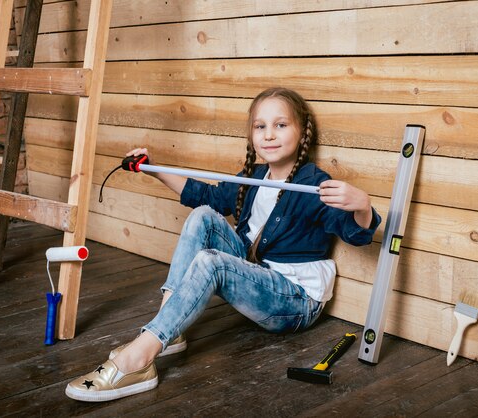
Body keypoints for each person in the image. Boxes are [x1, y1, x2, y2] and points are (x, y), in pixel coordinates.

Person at [65, 87, 381, 402]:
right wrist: (153, 168)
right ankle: (168, 331)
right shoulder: (254, 176)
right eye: (261, 127)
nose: (269, 135)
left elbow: (354, 233)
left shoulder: (314, 184)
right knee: (204, 215)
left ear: (302, 133)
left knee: (211, 262)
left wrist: (362, 206)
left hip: (295, 300)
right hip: (258, 276)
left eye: (281, 125)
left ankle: (139, 359)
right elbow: (206, 197)